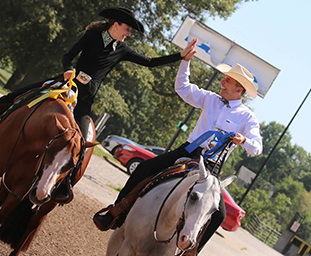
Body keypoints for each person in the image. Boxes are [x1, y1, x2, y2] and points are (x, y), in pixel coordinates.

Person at [0, 7, 195, 202]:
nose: (128, 33)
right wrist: (69, 69)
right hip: (64, 84)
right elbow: (68, 55)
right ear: (115, 24)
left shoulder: (122, 49)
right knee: (21, 93)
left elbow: (150, 62)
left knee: (81, 139)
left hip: (85, 98)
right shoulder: (91, 35)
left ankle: (65, 182)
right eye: (127, 28)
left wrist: (180, 56)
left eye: (130, 30)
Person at [93, 38, 263, 253]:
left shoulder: (248, 118)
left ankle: (191, 251)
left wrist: (244, 140)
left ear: (239, 89)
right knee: (145, 168)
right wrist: (186, 61)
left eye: (227, 80)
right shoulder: (209, 98)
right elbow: (182, 88)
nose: (222, 82)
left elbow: (257, 147)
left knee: (219, 214)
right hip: (188, 151)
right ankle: (116, 213)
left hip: (211, 166)